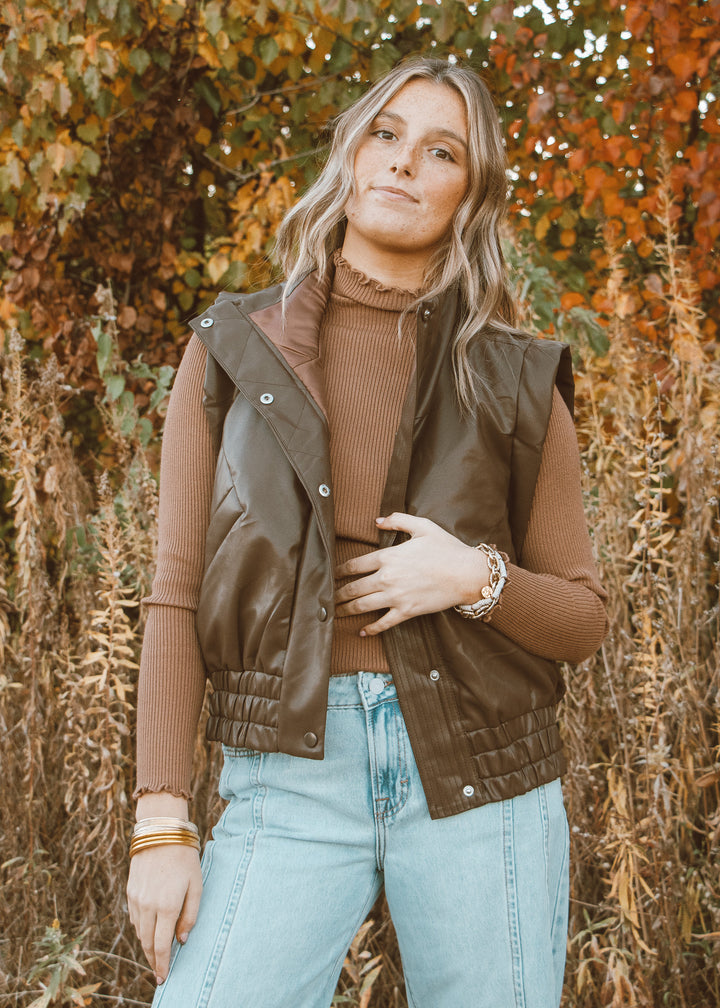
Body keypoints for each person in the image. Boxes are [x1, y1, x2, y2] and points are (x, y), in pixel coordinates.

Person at [126, 56, 608, 1008]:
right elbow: (176, 587)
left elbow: (584, 618)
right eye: (384, 135)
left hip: (484, 781)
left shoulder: (515, 376)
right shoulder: (232, 347)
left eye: (440, 152)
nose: (401, 165)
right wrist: (162, 823)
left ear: (469, 195)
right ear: (348, 153)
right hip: (289, 777)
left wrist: (476, 577)